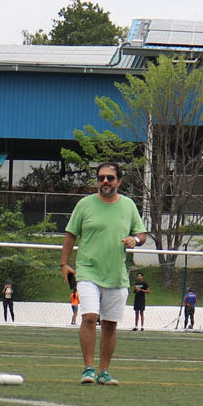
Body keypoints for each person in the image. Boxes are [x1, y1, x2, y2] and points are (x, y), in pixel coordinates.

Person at [61, 162, 146, 386]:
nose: (105, 181)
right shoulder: (84, 205)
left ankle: (104, 371)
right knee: (89, 316)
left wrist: (134, 240)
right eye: (101, 178)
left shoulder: (128, 206)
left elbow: (141, 234)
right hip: (88, 271)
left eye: (110, 178)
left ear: (119, 181)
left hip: (116, 274)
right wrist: (64, 264)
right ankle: (88, 369)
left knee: (109, 324)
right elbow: (70, 234)